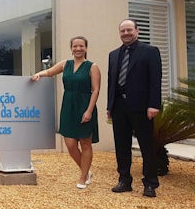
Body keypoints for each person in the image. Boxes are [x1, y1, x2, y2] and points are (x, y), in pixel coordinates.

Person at [32, 36, 100, 189]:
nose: (78, 49)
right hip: (68, 106)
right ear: (71, 48)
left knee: (85, 143)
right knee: (70, 144)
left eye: (81, 46)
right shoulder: (65, 64)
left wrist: (89, 111)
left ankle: (83, 177)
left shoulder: (92, 66)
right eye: (75, 46)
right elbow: (50, 72)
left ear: (86, 48)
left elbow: (96, 90)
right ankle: (86, 170)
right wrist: (39, 74)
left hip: (85, 105)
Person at [107, 19, 162, 198]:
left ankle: (150, 184)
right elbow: (111, 83)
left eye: (129, 30)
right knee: (122, 146)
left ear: (137, 31)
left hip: (142, 107)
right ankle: (124, 180)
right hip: (119, 107)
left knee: (146, 146)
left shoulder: (150, 52)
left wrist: (154, 104)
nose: (126, 33)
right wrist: (110, 106)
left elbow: (155, 80)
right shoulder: (113, 55)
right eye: (122, 31)